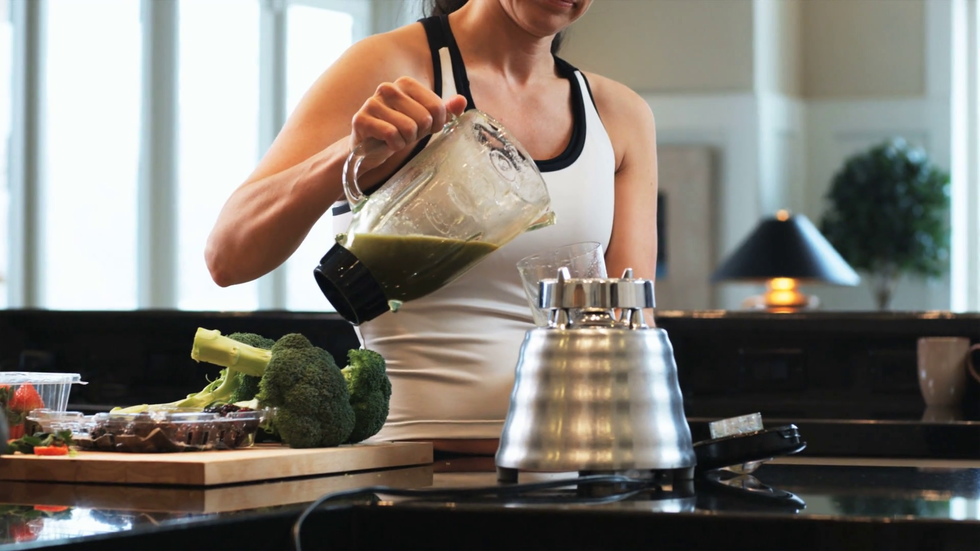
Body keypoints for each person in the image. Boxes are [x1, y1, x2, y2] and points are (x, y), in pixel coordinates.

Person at [205, 0, 659, 455]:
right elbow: (228, 257)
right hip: (400, 474)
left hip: (567, 473)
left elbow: (629, 329)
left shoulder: (620, 115)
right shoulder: (387, 69)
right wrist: (347, 156)